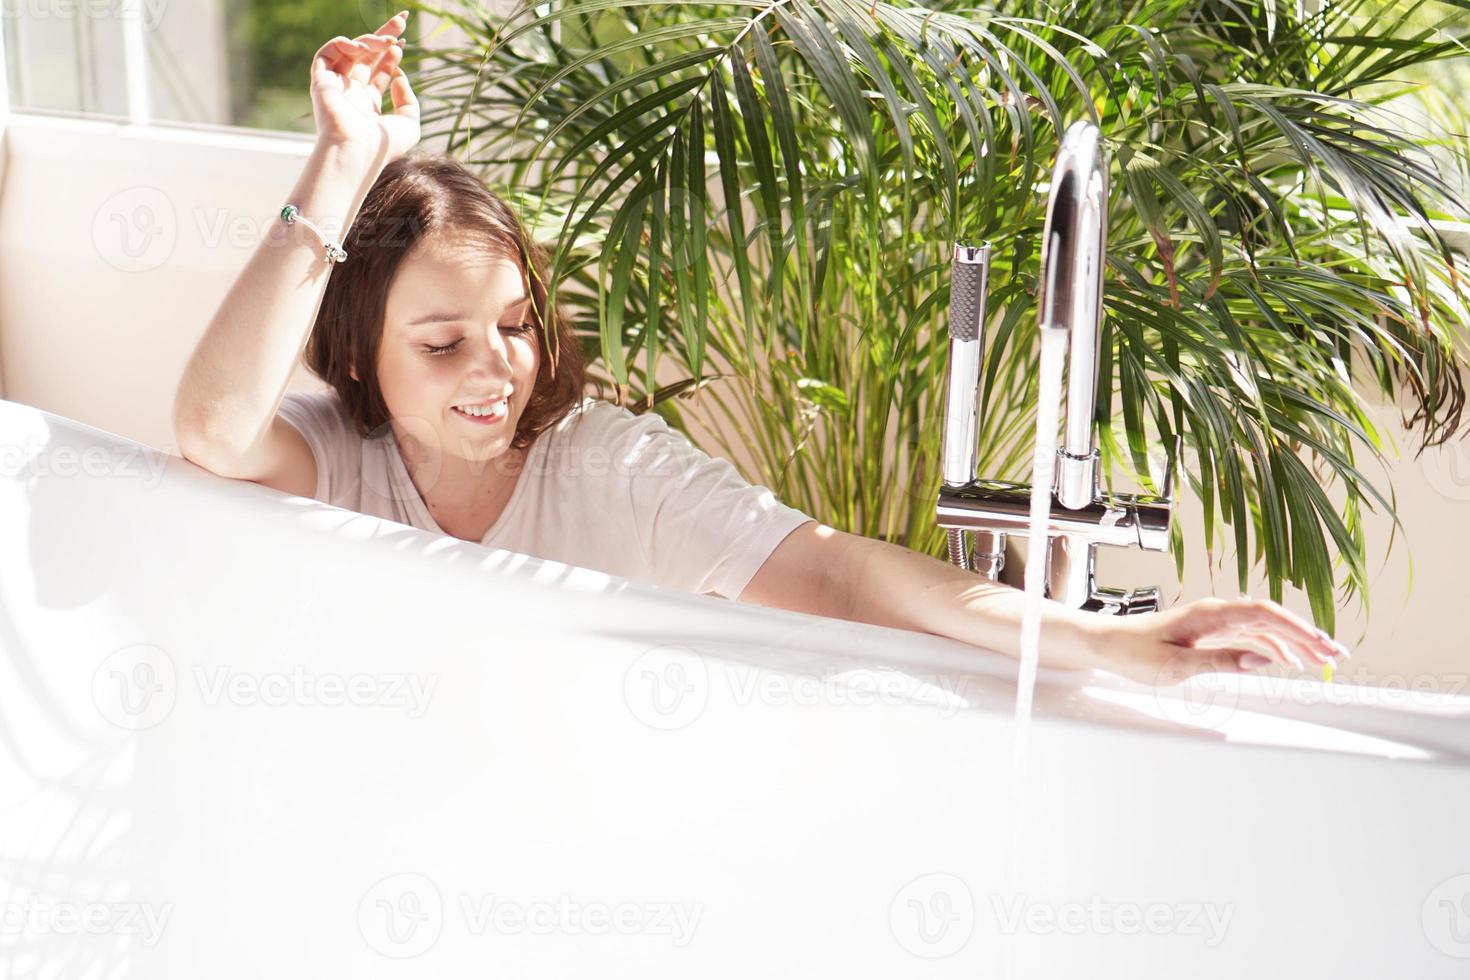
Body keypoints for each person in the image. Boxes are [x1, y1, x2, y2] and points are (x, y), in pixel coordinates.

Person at [173, 11, 1349, 687]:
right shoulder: (342, 459)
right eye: (441, 344)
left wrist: (1108, 640)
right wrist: (342, 160)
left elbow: (835, 570)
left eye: (519, 325)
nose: (497, 369)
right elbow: (213, 428)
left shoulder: (611, 466)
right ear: (363, 357)